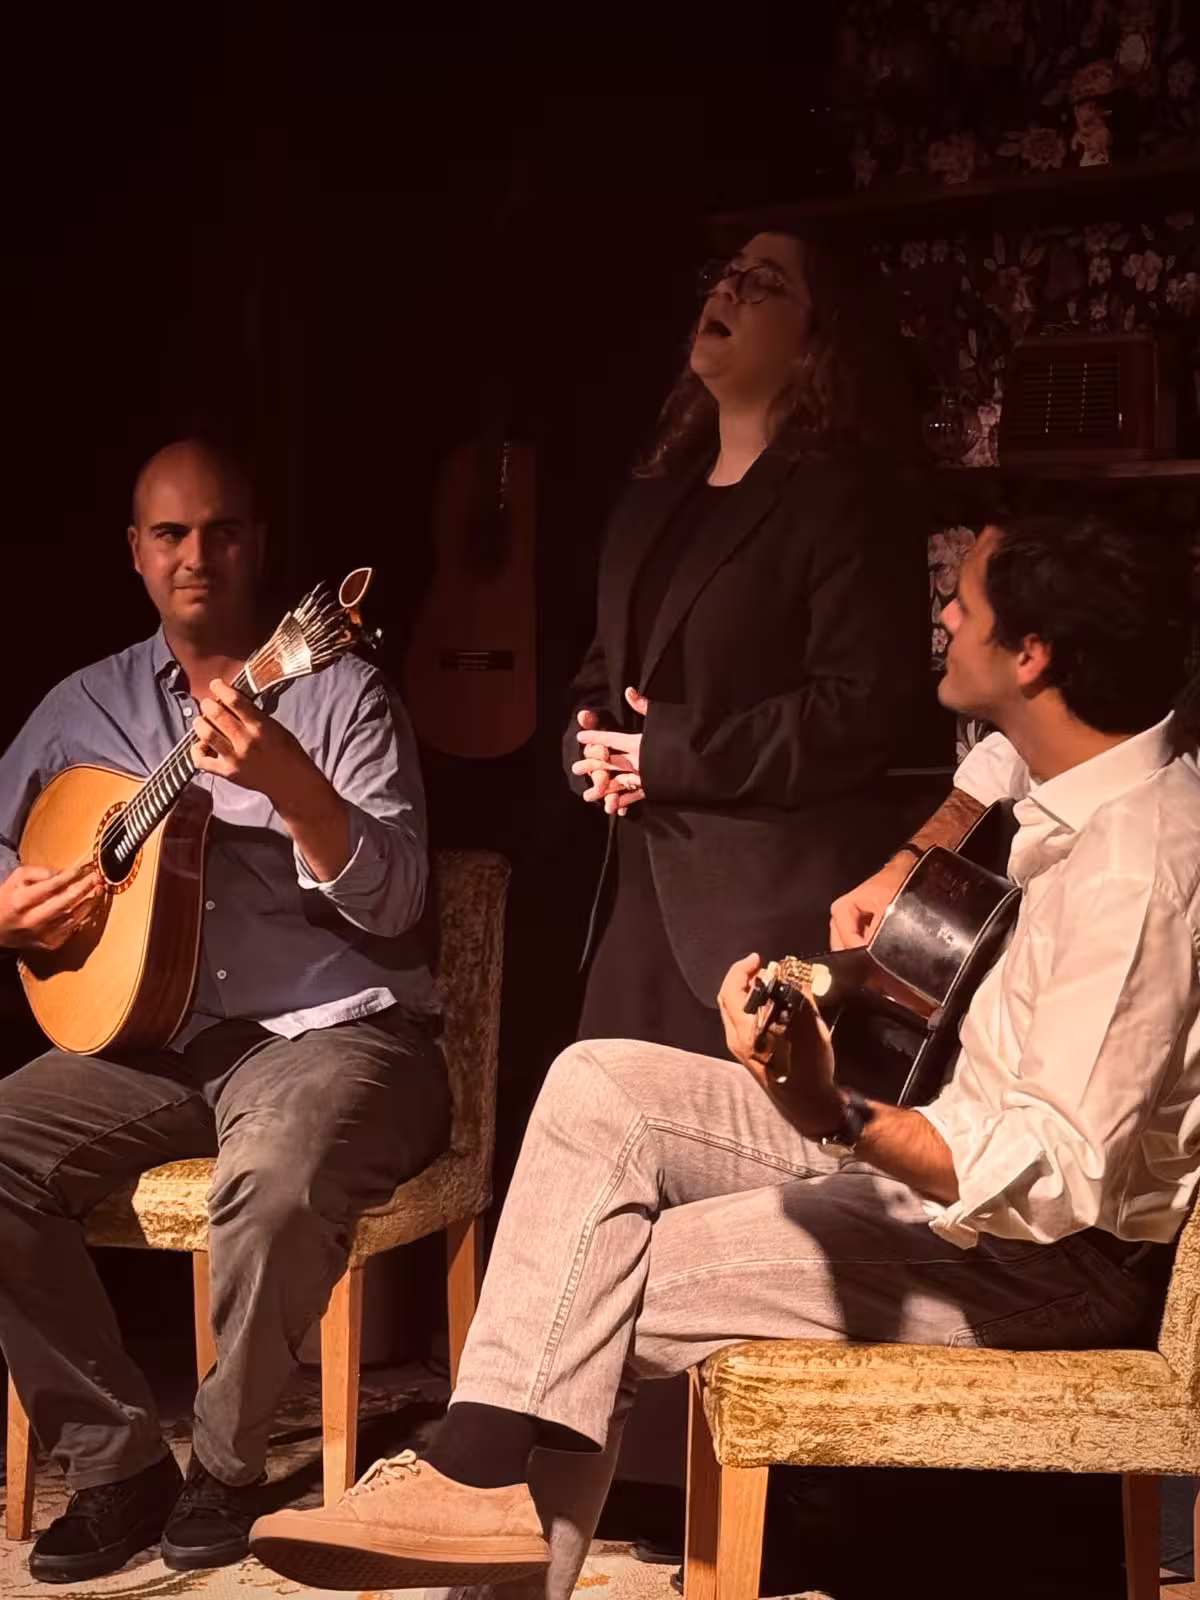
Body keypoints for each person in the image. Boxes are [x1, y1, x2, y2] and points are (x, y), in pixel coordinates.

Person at [248, 503, 1200, 1595]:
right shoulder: (1090, 755)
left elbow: (1055, 1175)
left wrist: (831, 1110)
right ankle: (479, 1482)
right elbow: (994, 769)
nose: (941, 613)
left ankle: (477, 1497)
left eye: (965, 603)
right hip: (955, 1161)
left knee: (596, 1280)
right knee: (598, 1081)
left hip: (1041, 1255)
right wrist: (908, 866)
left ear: (1031, 656)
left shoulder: (1137, 874)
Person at [0, 440, 449, 1581]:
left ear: (260, 545)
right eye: (170, 534)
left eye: (222, 531)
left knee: (277, 1177)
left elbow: (400, 897)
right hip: (152, 1042)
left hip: (337, 1032)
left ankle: (229, 1464)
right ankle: (114, 1464)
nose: (196, 556)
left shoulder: (339, 690)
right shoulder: (82, 705)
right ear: (135, 552)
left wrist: (295, 789)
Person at [567, 230, 929, 1059]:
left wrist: (673, 755)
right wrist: (589, 751)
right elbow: (603, 671)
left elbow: (863, 708)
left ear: (819, 340)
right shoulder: (655, 494)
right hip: (640, 900)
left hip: (761, 918)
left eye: (763, 282)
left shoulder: (848, 498)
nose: (726, 290)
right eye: (725, 274)